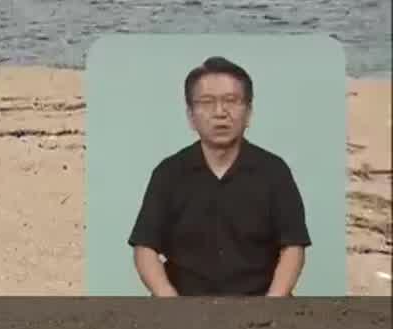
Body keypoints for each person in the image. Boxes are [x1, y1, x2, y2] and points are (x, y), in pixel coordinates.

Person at [128, 56, 310, 297]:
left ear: (248, 113)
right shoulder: (169, 173)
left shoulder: (274, 172)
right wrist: (168, 299)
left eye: (231, 101)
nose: (220, 112)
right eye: (206, 102)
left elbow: (293, 246)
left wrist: (272, 304)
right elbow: (145, 247)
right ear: (191, 116)